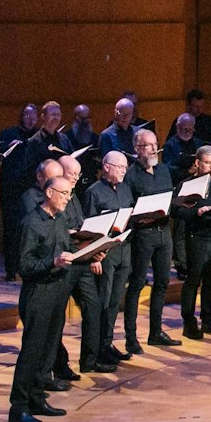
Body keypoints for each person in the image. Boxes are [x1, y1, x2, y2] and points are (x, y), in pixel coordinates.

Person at [9, 175, 81, 422]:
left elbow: (67, 246)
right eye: (64, 194)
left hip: (57, 292)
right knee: (31, 352)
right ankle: (18, 407)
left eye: (70, 195)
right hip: (38, 293)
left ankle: (37, 398)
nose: (68, 200)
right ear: (49, 192)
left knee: (48, 350)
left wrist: (90, 250)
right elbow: (25, 266)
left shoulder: (59, 219)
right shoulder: (31, 222)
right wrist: (53, 263)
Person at [80, 151, 136, 373]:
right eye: (119, 167)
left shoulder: (125, 188)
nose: (123, 171)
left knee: (114, 302)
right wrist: (94, 257)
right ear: (106, 167)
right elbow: (90, 229)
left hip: (123, 250)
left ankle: (108, 343)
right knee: (102, 301)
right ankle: (98, 349)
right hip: (105, 254)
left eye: (125, 167)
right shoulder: (94, 192)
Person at [171, 146, 211, 340]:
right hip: (197, 238)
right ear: (197, 163)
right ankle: (189, 322)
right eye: (207, 163)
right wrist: (195, 212)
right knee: (193, 281)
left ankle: (208, 319)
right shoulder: (187, 185)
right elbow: (176, 212)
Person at [124, 128, 178, 350]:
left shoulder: (163, 169)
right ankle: (131, 338)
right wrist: (139, 217)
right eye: (148, 145)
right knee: (136, 285)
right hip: (143, 236)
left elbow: (169, 197)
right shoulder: (131, 174)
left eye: (155, 144)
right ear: (137, 149)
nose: (155, 148)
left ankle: (155, 332)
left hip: (164, 233)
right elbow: (127, 207)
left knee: (163, 283)